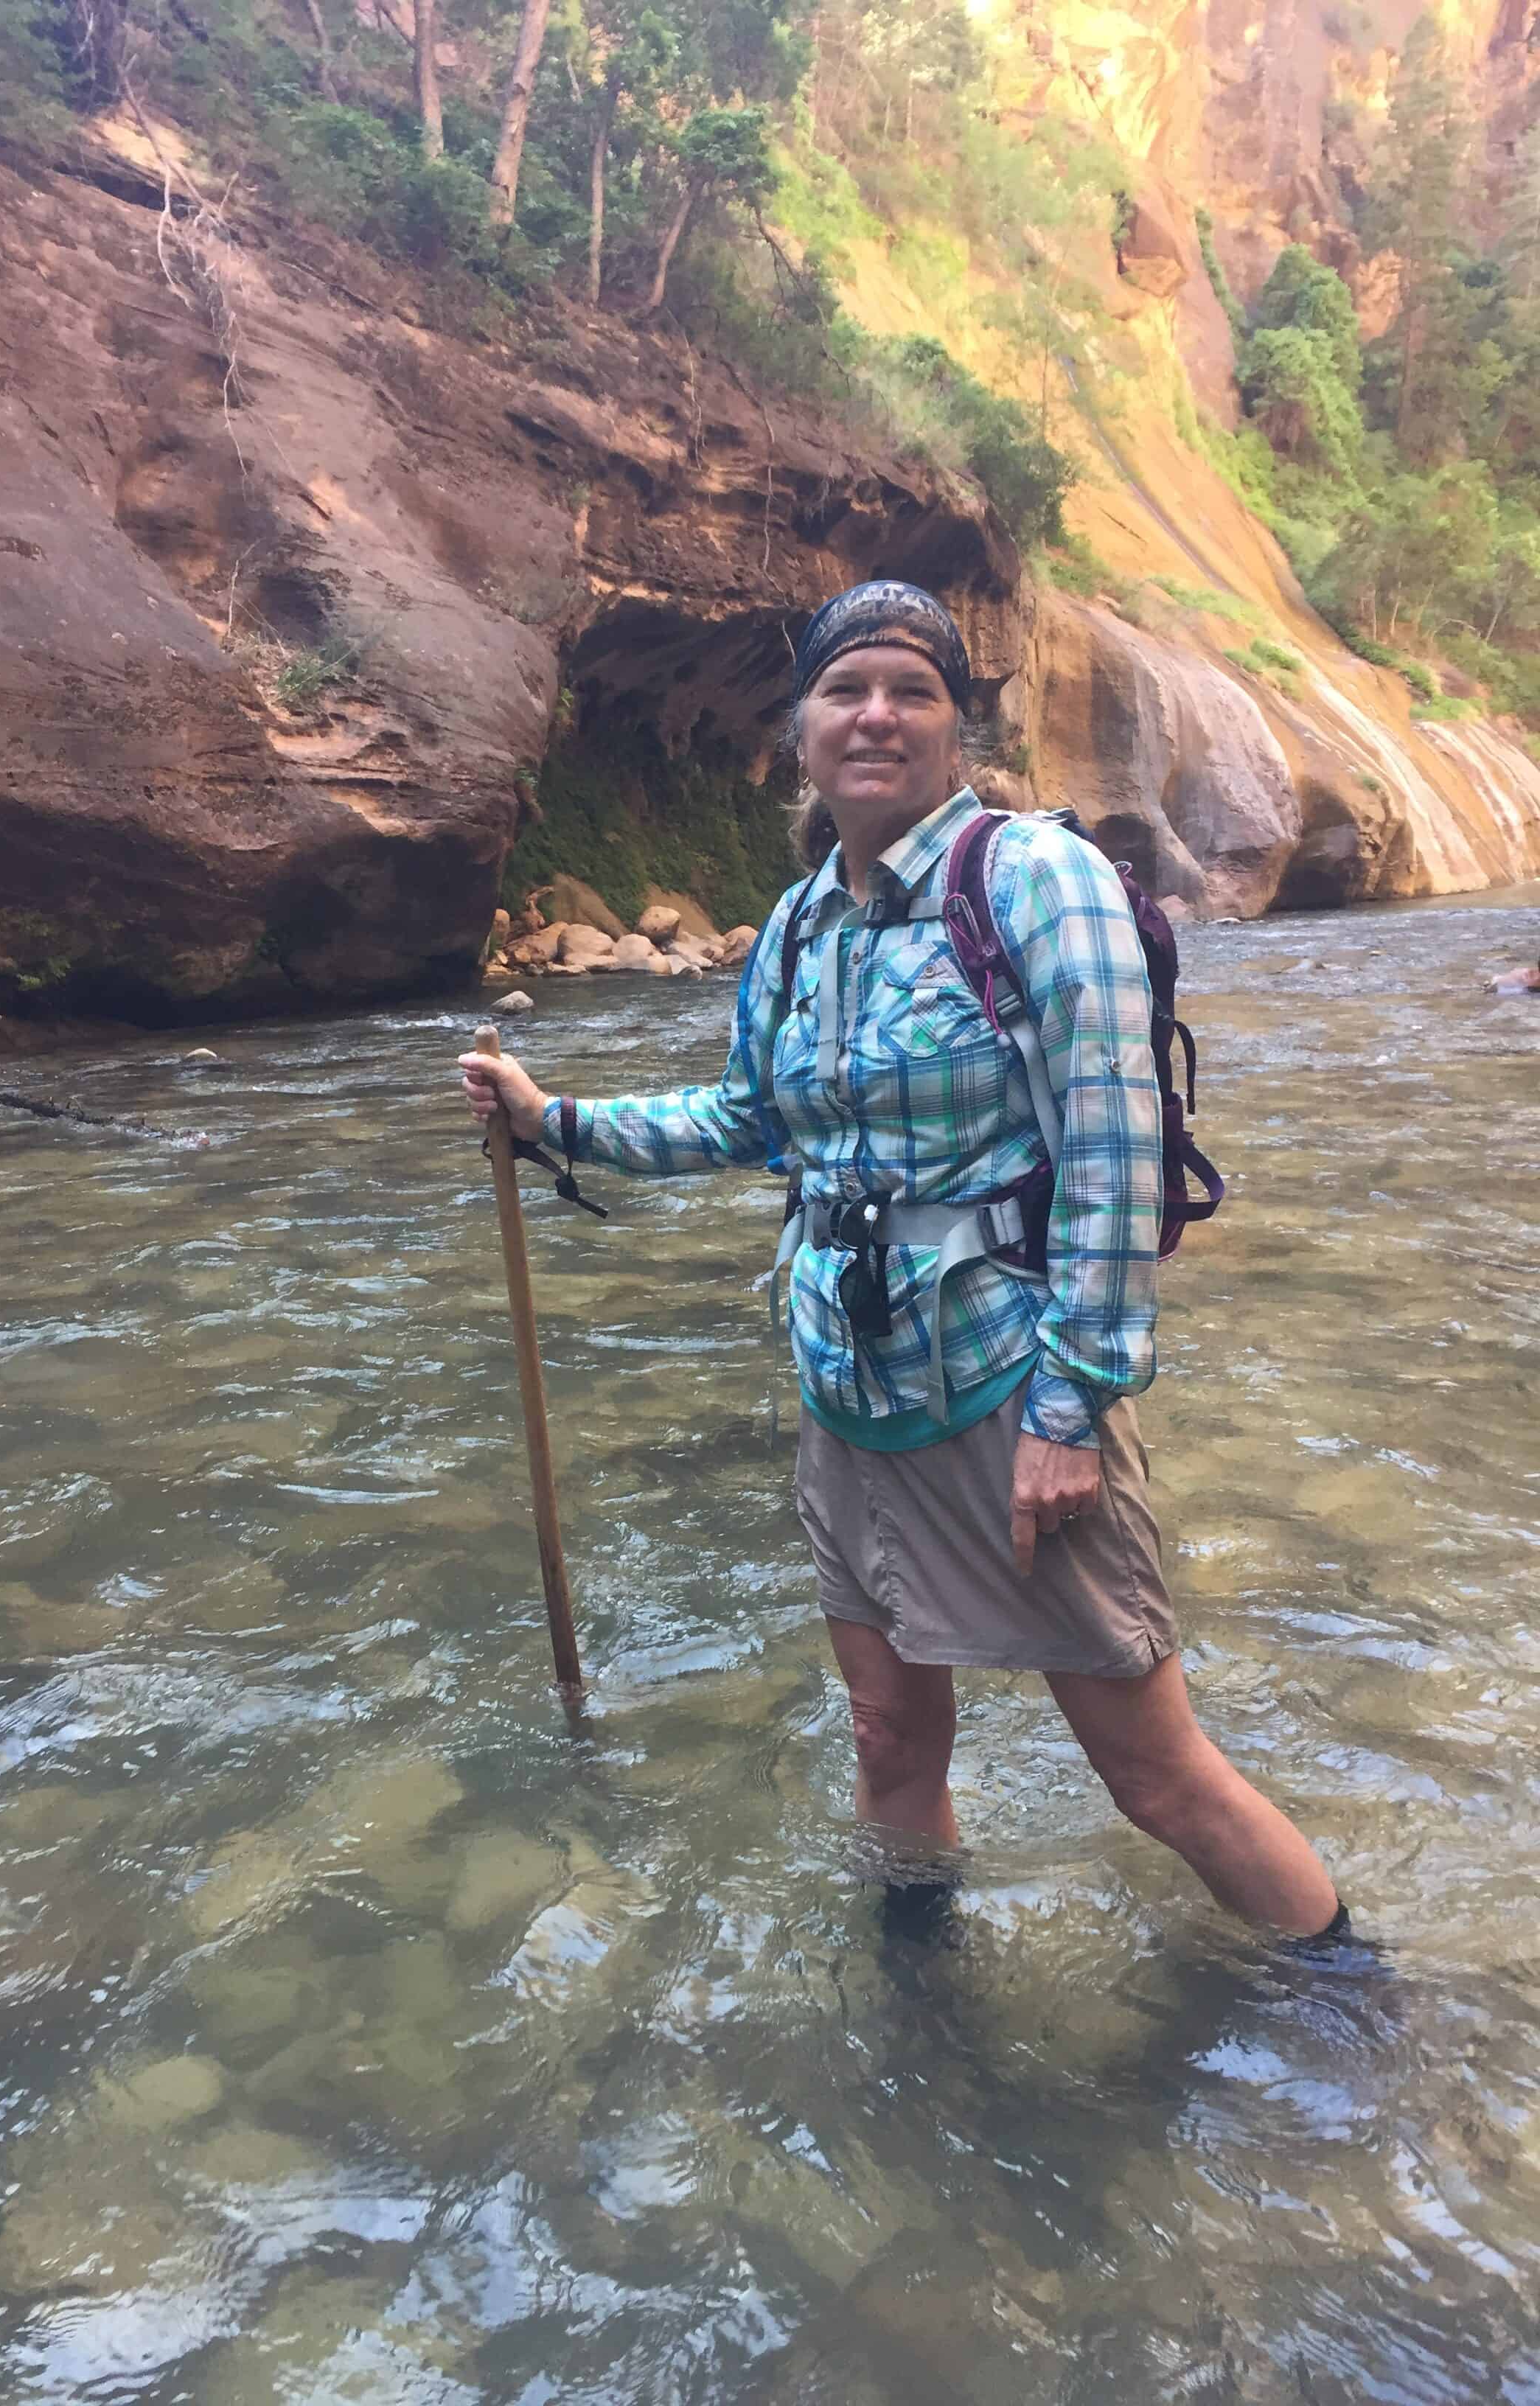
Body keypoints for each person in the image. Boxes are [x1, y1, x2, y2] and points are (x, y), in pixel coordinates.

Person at [461, 579, 1345, 1943]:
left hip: (1004, 1391)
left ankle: (1353, 1998)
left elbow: (1115, 1150)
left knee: (1156, 1778)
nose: (875, 715)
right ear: (801, 729)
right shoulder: (803, 923)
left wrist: (1072, 1409)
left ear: (955, 729)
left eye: (911, 690)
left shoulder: (1035, 880)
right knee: (886, 1736)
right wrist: (555, 1122)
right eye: (845, 689)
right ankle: (922, 1992)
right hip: (846, 1388)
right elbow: (749, 1119)